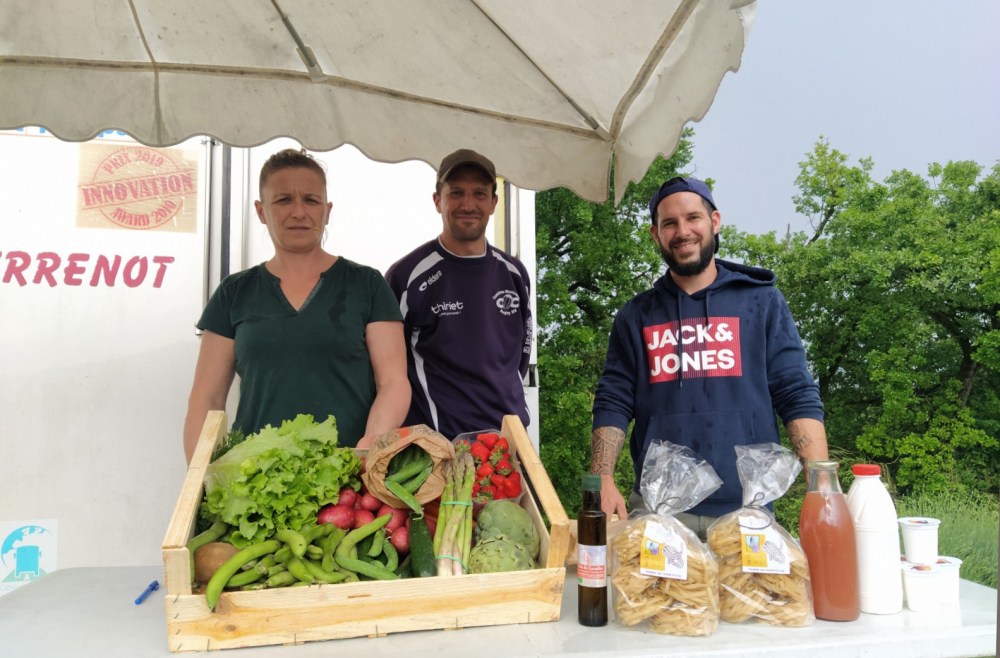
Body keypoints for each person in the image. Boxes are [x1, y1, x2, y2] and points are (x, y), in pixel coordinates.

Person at [590, 176, 828, 538]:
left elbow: (795, 392)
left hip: (747, 510)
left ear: (714, 222)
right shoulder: (635, 316)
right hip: (659, 511)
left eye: (693, 218)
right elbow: (613, 401)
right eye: (669, 223)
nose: (683, 231)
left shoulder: (761, 302)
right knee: (651, 598)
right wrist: (601, 480)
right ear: (656, 235)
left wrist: (821, 486)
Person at [183, 148, 410, 462]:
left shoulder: (367, 284)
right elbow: (207, 399)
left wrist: (370, 442)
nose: (299, 212)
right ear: (261, 211)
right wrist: (200, 476)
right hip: (254, 478)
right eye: (284, 200)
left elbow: (394, 382)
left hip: (348, 479)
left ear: (327, 211)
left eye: (311, 200)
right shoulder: (234, 292)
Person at [385, 149, 533, 439]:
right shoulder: (406, 277)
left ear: (493, 203)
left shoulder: (515, 273)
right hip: (440, 451)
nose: (468, 204)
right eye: (456, 193)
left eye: (479, 194)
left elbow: (518, 361)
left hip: (509, 448)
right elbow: (389, 374)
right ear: (437, 200)